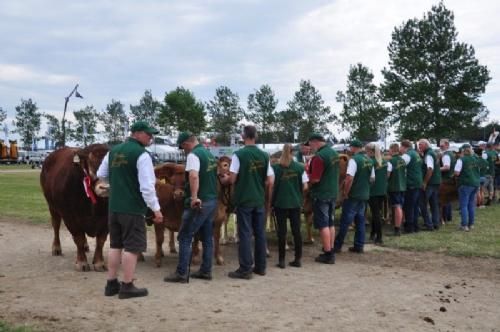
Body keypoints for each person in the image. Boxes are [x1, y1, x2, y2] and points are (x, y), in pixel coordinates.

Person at [97, 121, 163, 299]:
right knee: (132, 247)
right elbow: (148, 187)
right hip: (132, 208)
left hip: (114, 207)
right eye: (149, 134)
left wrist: (118, 182)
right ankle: (127, 285)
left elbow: (101, 174)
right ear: (138, 133)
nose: (151, 137)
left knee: (115, 245)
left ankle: (111, 283)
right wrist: (156, 209)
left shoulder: (113, 151)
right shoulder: (142, 155)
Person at [164, 132, 218, 283]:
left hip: (199, 203)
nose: (183, 151)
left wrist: (194, 197)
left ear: (186, 144)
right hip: (212, 200)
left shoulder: (193, 156)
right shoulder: (208, 154)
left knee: (185, 236)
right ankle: (206, 271)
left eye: (182, 148)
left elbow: (194, 176)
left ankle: (181, 273)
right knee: (207, 237)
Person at [224, 125, 274, 279]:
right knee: (260, 233)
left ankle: (245, 269)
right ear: (256, 136)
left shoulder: (238, 155)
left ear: (243, 136)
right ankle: (260, 267)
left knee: (244, 234)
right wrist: (258, 184)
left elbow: (232, 178)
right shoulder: (265, 155)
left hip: (244, 199)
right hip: (259, 199)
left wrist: (225, 179)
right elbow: (270, 180)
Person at [334, 139, 374, 254]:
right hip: (364, 195)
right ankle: (359, 246)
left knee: (345, 221)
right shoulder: (369, 160)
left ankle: (337, 245)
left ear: (353, 148)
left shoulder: (354, 160)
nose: (350, 150)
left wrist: (345, 193)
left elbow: (349, 178)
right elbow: (372, 179)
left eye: (350, 147)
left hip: (353, 195)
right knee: (360, 221)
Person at [271, 144, 308, 268]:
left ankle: (281, 261)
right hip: (295, 203)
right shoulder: (299, 167)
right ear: (293, 152)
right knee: (296, 231)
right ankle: (298, 259)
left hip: (280, 203)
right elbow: (305, 186)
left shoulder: (275, 168)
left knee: (282, 232)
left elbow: (271, 185)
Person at [307, 133, 340, 264]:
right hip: (332, 192)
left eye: (310, 144)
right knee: (330, 223)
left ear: (315, 142)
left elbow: (315, 179)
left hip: (321, 193)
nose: (310, 147)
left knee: (323, 224)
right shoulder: (334, 153)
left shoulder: (319, 157)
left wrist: (306, 178)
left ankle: (328, 254)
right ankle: (330, 248)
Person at [366, 142, 389, 244]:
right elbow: (387, 174)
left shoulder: (371, 161)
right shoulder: (384, 161)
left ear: (371, 151)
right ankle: (373, 233)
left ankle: (379, 237)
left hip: (373, 191)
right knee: (377, 213)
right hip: (382, 190)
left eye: (367, 151)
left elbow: (371, 178)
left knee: (376, 214)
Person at [454, 144, 480, 231]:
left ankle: (464, 225)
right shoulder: (476, 159)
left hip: (465, 184)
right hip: (475, 183)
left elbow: (457, 173)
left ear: (462, 151)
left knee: (464, 205)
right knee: (471, 204)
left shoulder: (461, 160)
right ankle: (471, 224)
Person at [418, 139, 441, 231]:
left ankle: (429, 224)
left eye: (421, 145)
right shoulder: (433, 153)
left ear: (426, 145)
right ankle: (435, 223)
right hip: (436, 182)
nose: (419, 147)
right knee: (434, 204)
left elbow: (430, 169)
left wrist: (424, 182)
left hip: (430, 183)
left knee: (422, 203)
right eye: (419, 145)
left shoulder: (428, 155)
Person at [400, 140, 423, 233]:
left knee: (409, 206)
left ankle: (409, 227)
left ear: (404, 147)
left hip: (411, 182)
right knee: (415, 205)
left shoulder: (407, 155)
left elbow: (400, 166)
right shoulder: (416, 154)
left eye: (400, 147)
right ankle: (415, 226)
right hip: (417, 181)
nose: (400, 149)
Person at [387, 143, 407, 236]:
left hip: (394, 186)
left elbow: (388, 175)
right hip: (403, 186)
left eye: (389, 150)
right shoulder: (402, 160)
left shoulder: (391, 161)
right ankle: (400, 225)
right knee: (400, 206)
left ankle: (397, 228)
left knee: (397, 206)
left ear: (392, 150)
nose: (388, 151)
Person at [439, 139, 456, 223]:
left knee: (443, 201)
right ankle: (448, 217)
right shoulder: (452, 154)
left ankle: (443, 219)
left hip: (446, 180)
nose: (440, 147)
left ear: (447, 145)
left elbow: (446, 167)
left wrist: (436, 169)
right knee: (448, 200)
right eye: (440, 146)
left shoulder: (446, 155)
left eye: (442, 146)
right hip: (451, 179)